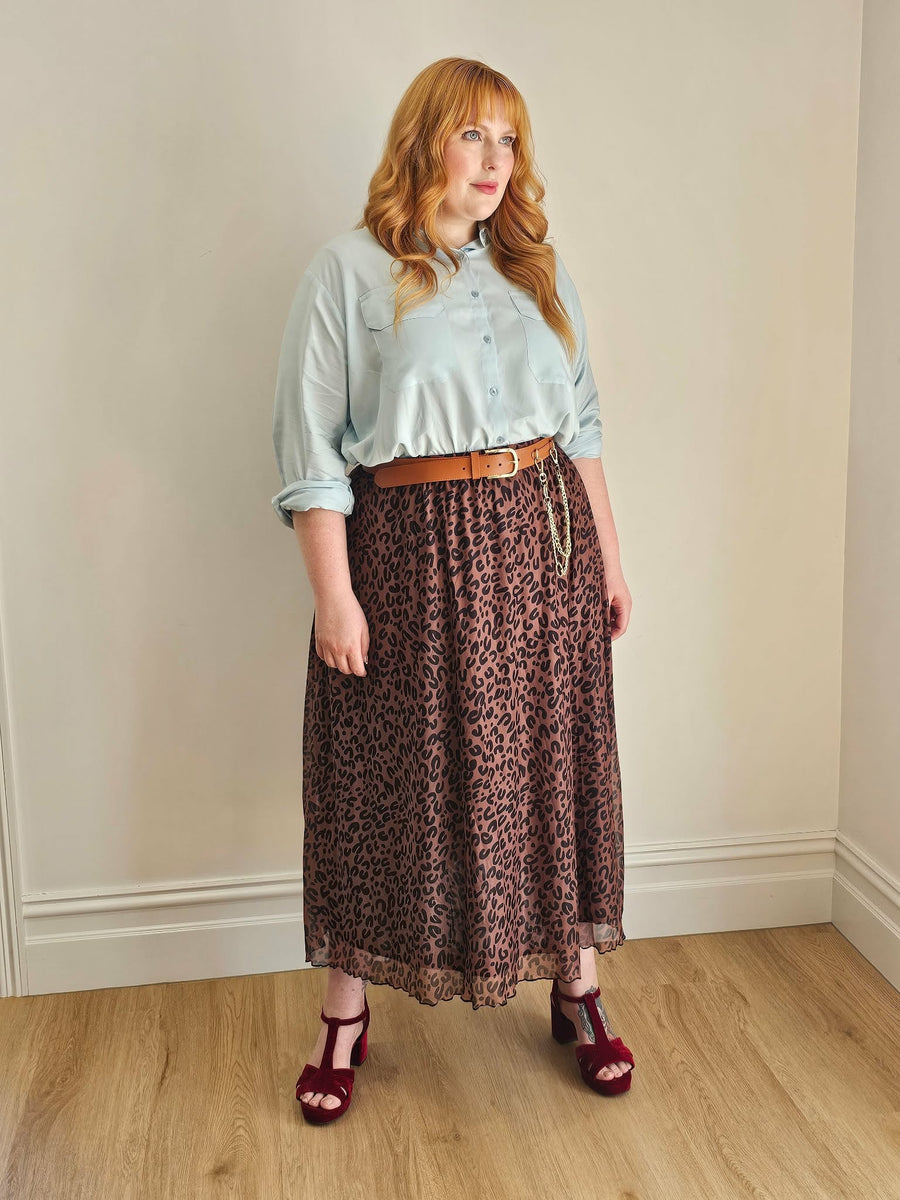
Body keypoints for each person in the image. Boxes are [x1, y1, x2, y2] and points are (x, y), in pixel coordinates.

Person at [271, 56, 635, 1126]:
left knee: (550, 762)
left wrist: (611, 556)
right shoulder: (345, 272)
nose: (494, 161)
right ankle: (346, 1014)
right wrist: (334, 596)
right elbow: (313, 454)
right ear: (425, 138)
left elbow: (586, 427)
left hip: (545, 544)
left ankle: (578, 989)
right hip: (410, 554)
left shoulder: (537, 270)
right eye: (474, 135)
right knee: (387, 780)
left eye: (509, 141)